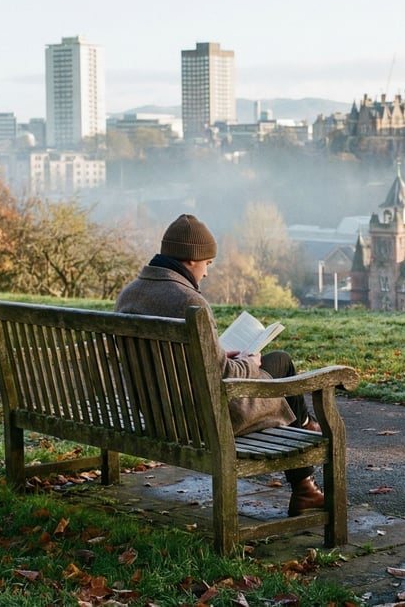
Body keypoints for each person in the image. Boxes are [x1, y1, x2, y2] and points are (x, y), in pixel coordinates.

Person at [115, 214, 324, 516]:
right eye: (207, 264)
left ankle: (305, 443)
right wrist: (248, 363)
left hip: (157, 412)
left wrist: (220, 354)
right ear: (190, 260)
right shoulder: (189, 301)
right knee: (281, 363)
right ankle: (305, 452)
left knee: (278, 362)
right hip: (203, 420)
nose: (207, 273)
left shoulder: (129, 294)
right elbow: (223, 376)